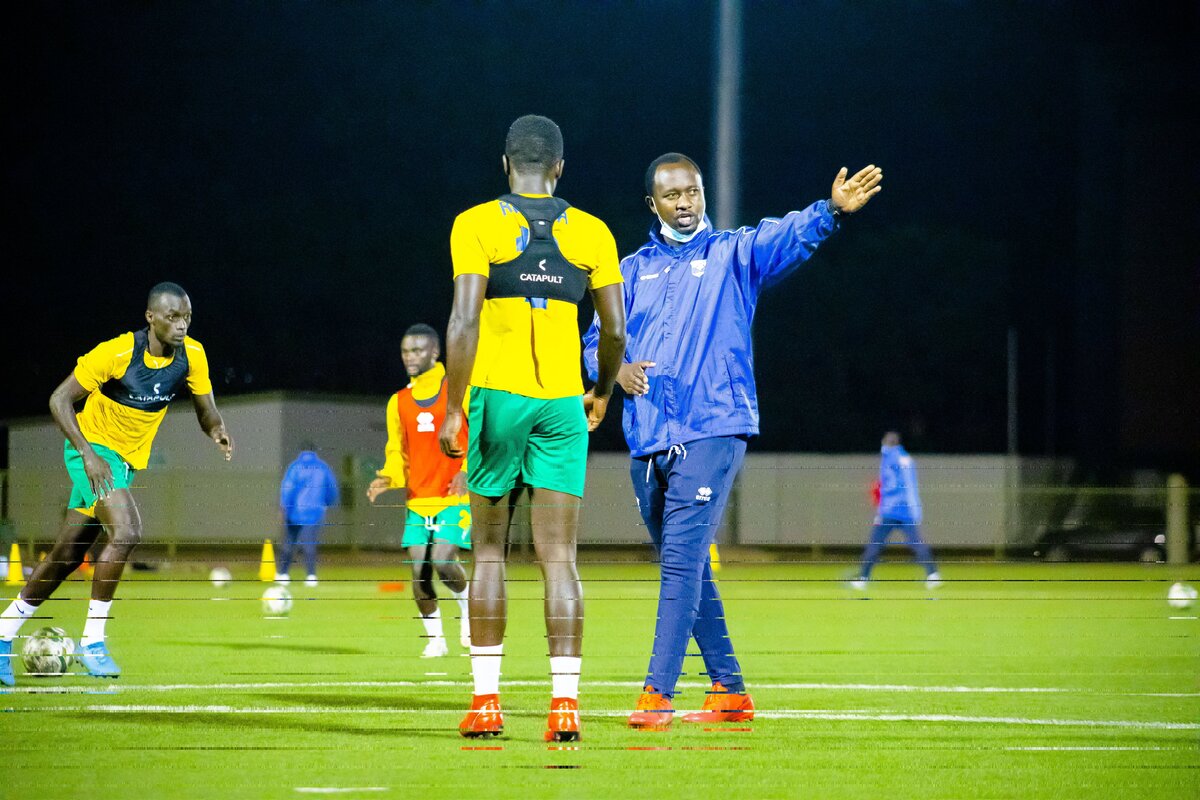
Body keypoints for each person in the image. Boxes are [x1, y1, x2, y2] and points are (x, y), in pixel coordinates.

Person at [583, 153, 883, 729]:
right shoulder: (628, 270)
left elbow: (783, 236)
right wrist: (613, 371)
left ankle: (657, 694)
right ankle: (728, 690)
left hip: (714, 427)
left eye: (692, 191)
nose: (686, 202)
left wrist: (829, 212)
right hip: (647, 435)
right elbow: (595, 339)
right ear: (654, 205)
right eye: (673, 195)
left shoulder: (733, 253)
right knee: (688, 566)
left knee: (678, 561)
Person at [439, 114, 626, 742]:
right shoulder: (594, 232)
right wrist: (598, 391)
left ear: (504, 164)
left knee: (489, 551)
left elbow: (463, 323)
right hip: (561, 404)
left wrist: (453, 403)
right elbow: (617, 333)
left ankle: (487, 704)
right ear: (560, 168)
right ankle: (565, 708)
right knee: (560, 558)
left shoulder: (476, 223)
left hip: (498, 397)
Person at [0, 282, 233, 686]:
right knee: (127, 531)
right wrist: (88, 455)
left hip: (125, 464)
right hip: (91, 454)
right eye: (173, 317)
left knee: (67, 555)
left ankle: (2, 636)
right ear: (151, 317)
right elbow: (59, 400)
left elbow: (206, 409)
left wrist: (217, 430)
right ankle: (93, 641)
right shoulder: (118, 351)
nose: (181, 325)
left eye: (187, 318)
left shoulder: (192, 355)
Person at [367, 323, 472, 658]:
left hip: (455, 496)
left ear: (435, 352)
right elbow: (397, 450)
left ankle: (467, 604)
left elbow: (480, 435)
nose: (410, 357)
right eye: (405, 351)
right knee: (419, 571)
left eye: (417, 350)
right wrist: (388, 477)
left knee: (442, 559)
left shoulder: (457, 390)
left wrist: (468, 473)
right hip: (418, 500)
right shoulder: (397, 402)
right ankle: (436, 640)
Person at [851, 431, 941, 590]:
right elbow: (911, 486)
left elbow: (889, 486)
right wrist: (916, 509)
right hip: (908, 510)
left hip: (890, 509)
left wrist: (881, 508)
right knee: (917, 543)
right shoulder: (907, 458)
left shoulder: (888, 459)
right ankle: (933, 575)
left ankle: (863, 578)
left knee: (875, 543)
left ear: (886, 443)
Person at [277, 445, 340, 587]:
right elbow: (332, 488)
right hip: (315, 511)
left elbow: (288, 488)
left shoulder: (295, 467)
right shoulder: (323, 468)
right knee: (310, 543)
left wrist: (283, 507)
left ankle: (283, 574)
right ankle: (311, 575)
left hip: (294, 512)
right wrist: (328, 503)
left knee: (289, 542)